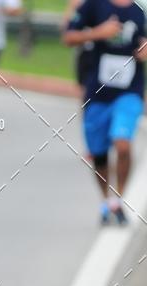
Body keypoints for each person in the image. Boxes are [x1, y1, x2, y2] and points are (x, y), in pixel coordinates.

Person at [64, 0, 147, 225]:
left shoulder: (141, 10)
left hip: (130, 91)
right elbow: (68, 36)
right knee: (99, 154)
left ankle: (118, 199)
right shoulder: (93, 6)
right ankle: (106, 200)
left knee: (123, 143)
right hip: (97, 93)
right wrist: (98, 33)